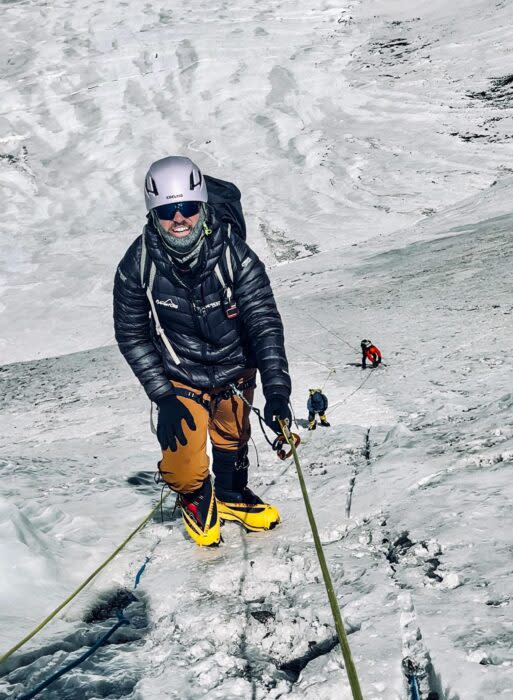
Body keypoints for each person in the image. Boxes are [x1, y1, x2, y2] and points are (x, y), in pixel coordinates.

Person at [113, 156, 292, 547]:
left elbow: (263, 322)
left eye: (188, 208)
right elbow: (132, 333)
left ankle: (230, 496)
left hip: (234, 370)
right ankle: (196, 500)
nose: (179, 219)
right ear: (152, 212)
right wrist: (163, 395)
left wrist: (277, 389)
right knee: (183, 466)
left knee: (233, 437)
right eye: (166, 211)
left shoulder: (235, 255)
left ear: (202, 206)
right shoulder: (138, 264)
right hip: (182, 377)